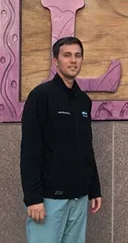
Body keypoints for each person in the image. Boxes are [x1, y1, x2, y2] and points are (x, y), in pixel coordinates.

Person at [20, 36, 102, 243]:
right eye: (67, 55)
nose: (73, 60)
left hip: (79, 197)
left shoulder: (83, 101)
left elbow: (86, 148)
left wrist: (94, 189)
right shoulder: (41, 96)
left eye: (78, 55)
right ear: (56, 60)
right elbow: (30, 150)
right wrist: (33, 198)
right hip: (49, 200)